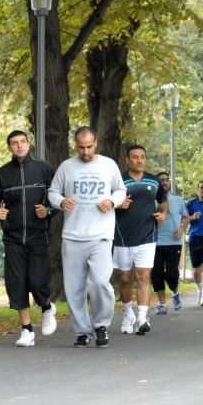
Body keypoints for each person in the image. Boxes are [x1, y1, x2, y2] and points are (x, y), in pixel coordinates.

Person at [48, 127, 126, 347]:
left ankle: (101, 325)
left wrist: (111, 201)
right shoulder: (66, 167)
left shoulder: (108, 165)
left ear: (96, 143)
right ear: (76, 145)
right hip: (73, 235)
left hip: (100, 235)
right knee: (74, 288)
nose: (85, 152)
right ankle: (82, 331)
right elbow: (52, 192)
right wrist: (61, 202)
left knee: (101, 282)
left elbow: (120, 191)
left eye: (89, 147)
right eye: (81, 147)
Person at [0, 130, 57, 347]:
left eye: (23, 142)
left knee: (36, 280)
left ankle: (46, 307)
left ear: (28, 144)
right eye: (14, 143)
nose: (19, 146)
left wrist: (49, 210)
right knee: (17, 285)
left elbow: (57, 197)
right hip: (13, 238)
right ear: (9, 147)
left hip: (38, 235)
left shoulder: (43, 169)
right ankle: (26, 330)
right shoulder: (2, 174)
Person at [113, 145, 167, 335]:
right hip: (122, 235)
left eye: (142, 157)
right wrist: (117, 205)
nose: (139, 161)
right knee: (125, 278)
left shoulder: (154, 181)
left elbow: (163, 202)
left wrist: (163, 214)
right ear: (127, 160)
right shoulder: (118, 179)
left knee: (144, 276)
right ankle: (128, 314)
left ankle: (143, 317)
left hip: (147, 234)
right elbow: (107, 202)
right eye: (135, 157)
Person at [152, 172, 190, 313]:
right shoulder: (152, 200)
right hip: (155, 242)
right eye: (161, 180)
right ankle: (162, 304)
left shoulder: (178, 199)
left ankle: (175, 293)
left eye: (167, 180)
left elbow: (186, 217)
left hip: (174, 242)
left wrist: (181, 230)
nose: (165, 182)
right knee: (156, 275)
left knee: (172, 274)